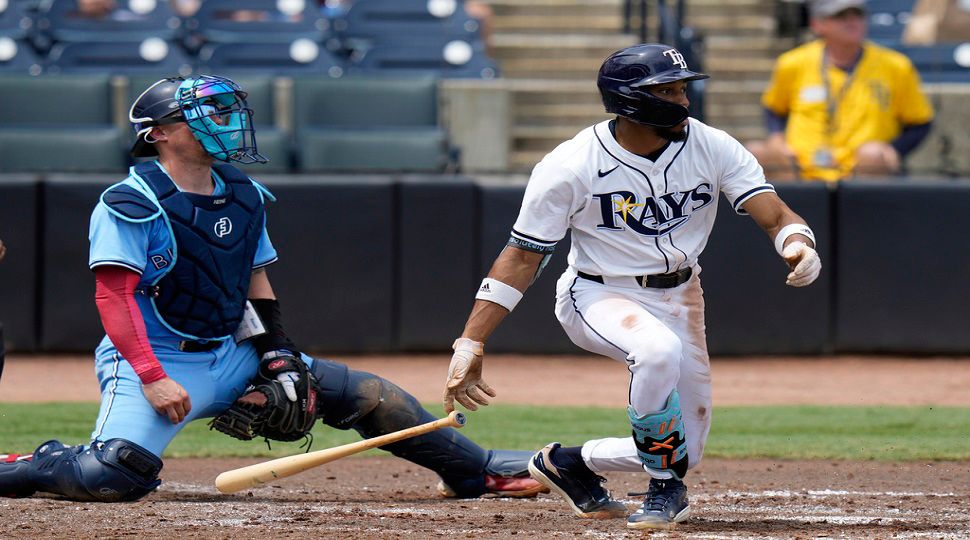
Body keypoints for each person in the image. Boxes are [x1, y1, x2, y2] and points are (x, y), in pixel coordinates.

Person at [0, 75, 544, 502]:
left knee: (370, 396)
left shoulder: (243, 193)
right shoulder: (131, 201)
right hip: (158, 359)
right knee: (114, 473)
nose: (223, 121)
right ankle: (32, 463)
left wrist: (278, 353)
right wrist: (152, 378)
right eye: (202, 114)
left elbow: (252, 282)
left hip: (230, 351)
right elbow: (113, 298)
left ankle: (478, 469)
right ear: (158, 133)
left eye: (224, 110)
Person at [441, 44, 822, 530]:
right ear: (629, 100)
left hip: (683, 295)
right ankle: (666, 489)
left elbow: (775, 212)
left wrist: (797, 243)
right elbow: (521, 257)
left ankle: (570, 463)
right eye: (666, 90)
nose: (682, 100)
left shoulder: (712, 145)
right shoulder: (571, 164)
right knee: (657, 354)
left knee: (688, 447)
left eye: (683, 88)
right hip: (598, 293)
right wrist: (471, 340)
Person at [746, 0, 934, 182]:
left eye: (858, 15)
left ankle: (864, 212)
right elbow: (774, 108)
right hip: (801, 165)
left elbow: (920, 122)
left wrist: (894, 150)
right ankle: (784, 212)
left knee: (873, 154)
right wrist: (777, 140)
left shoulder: (896, 66)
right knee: (755, 152)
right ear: (817, 24)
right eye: (840, 16)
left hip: (862, 167)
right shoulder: (793, 63)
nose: (851, 22)